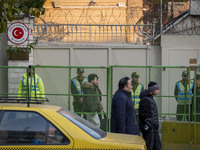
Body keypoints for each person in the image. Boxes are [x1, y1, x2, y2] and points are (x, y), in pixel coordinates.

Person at [139, 81, 161, 150]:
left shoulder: (149, 98)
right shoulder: (146, 100)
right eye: (157, 89)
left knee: (157, 146)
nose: (158, 91)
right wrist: (149, 125)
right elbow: (143, 115)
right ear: (152, 90)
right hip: (150, 129)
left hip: (153, 128)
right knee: (150, 147)